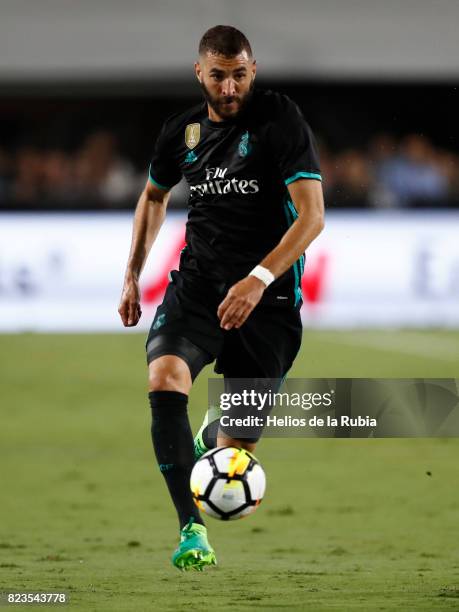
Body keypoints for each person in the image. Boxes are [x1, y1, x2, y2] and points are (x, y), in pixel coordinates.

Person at [118, 25, 324, 571]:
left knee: (233, 452)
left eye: (239, 75)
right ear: (199, 73)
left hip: (269, 302)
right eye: (218, 76)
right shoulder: (180, 132)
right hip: (199, 287)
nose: (229, 88)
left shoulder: (279, 120)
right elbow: (154, 196)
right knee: (164, 378)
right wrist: (133, 274)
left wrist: (257, 279)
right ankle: (191, 530)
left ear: (252, 70)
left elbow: (312, 216)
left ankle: (217, 435)